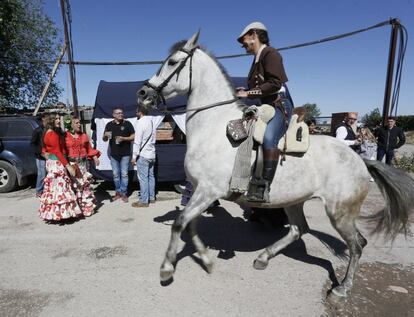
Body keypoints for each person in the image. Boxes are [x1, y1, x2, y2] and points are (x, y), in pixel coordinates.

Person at [236, 21, 294, 203]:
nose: (242, 44)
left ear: (254, 34)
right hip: (264, 106)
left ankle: (263, 186)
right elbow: (258, 89)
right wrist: (244, 92)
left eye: (243, 39)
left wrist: (249, 93)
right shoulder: (256, 60)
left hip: (279, 105)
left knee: (269, 138)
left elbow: (275, 84)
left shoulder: (271, 53)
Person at [39, 114, 82, 221]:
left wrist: (45, 153)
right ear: (51, 120)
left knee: (54, 189)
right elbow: (57, 152)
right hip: (57, 163)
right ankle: (62, 214)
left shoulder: (46, 132)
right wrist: (68, 166)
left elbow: (44, 148)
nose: (58, 121)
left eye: (59, 118)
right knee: (60, 188)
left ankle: (55, 214)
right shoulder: (52, 133)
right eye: (56, 119)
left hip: (51, 162)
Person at [65, 117, 101, 216]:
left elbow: (89, 149)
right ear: (71, 125)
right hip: (73, 165)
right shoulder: (66, 136)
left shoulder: (84, 136)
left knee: (85, 185)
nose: (79, 124)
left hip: (83, 164)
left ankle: (86, 208)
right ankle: (77, 210)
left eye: (79, 122)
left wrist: (94, 157)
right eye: (76, 123)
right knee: (76, 186)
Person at [103, 107, 135, 202]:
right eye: (119, 113)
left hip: (125, 154)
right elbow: (104, 139)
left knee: (124, 174)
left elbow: (133, 136)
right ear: (114, 115)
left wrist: (124, 139)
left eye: (122, 113)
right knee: (116, 174)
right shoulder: (109, 125)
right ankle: (118, 192)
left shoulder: (127, 124)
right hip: (114, 154)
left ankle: (124, 193)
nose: (121, 114)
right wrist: (104, 136)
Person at [131, 108, 156, 208]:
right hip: (152, 153)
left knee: (143, 179)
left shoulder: (140, 123)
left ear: (140, 112)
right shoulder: (151, 121)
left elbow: (137, 141)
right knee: (151, 176)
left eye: (136, 111)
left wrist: (134, 157)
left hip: (143, 154)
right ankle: (151, 197)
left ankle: (144, 201)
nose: (135, 113)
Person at [31, 113, 48, 197]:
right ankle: (39, 190)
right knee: (42, 174)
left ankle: (46, 190)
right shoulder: (37, 130)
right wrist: (41, 153)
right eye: (46, 118)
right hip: (40, 157)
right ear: (43, 119)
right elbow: (32, 144)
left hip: (49, 156)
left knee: (49, 174)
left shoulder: (49, 130)